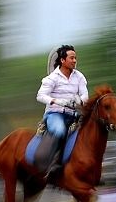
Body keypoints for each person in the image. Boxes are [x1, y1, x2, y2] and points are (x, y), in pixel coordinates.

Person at [36, 44, 89, 179]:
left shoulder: (79, 77)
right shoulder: (52, 78)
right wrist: (56, 101)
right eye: (71, 58)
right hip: (55, 114)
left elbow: (85, 96)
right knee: (60, 130)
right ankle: (54, 164)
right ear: (62, 60)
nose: (75, 60)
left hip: (74, 114)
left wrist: (79, 100)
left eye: (75, 58)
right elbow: (40, 96)